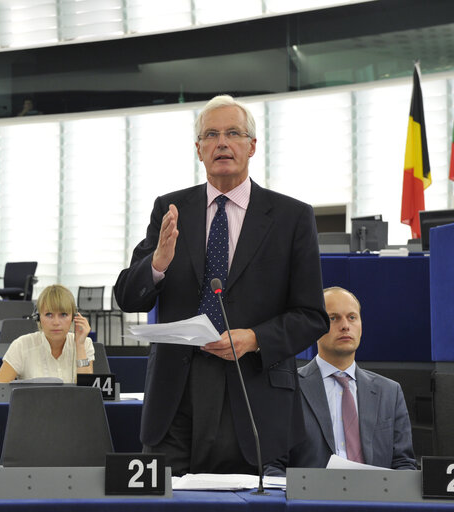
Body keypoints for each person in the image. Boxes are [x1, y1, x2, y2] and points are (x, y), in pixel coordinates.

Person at [114, 95, 329, 475]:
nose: (222, 143)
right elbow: (129, 297)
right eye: (211, 135)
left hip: (254, 393)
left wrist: (254, 338)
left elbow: (311, 316)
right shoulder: (171, 209)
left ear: (252, 145)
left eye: (233, 133)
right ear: (199, 149)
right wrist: (158, 263)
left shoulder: (291, 217)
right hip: (175, 400)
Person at [278, 287, 416, 472]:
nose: (345, 326)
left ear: (361, 326)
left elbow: (404, 464)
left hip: (375, 490)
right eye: (333, 318)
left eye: (352, 317)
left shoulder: (390, 392)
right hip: (310, 490)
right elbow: (273, 467)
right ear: (313, 328)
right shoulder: (288, 389)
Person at [0, 284, 94, 384]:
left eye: (63, 314)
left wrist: (80, 345)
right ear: (38, 317)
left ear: (73, 317)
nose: (56, 322)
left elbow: (88, 390)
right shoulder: (21, 345)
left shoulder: (85, 344)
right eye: (49, 315)